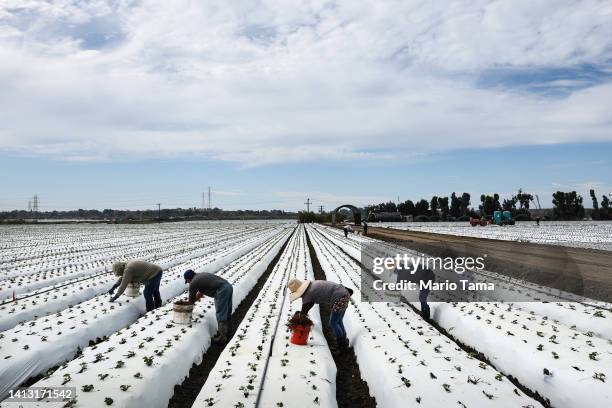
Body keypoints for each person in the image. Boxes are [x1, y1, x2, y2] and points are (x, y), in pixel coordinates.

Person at [288, 279, 353, 354]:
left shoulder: (307, 294)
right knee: (338, 320)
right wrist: (302, 313)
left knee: (333, 322)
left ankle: (342, 346)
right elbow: (310, 304)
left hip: (340, 297)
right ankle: (344, 342)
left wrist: (300, 316)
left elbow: (304, 310)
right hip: (343, 293)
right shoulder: (311, 287)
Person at [184, 269, 233, 344]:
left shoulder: (193, 283)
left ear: (188, 279)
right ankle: (227, 332)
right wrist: (192, 301)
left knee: (221, 313)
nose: (188, 283)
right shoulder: (200, 276)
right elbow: (200, 294)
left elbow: (191, 301)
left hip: (221, 291)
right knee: (227, 311)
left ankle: (222, 338)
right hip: (228, 286)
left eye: (187, 281)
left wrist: (186, 311)